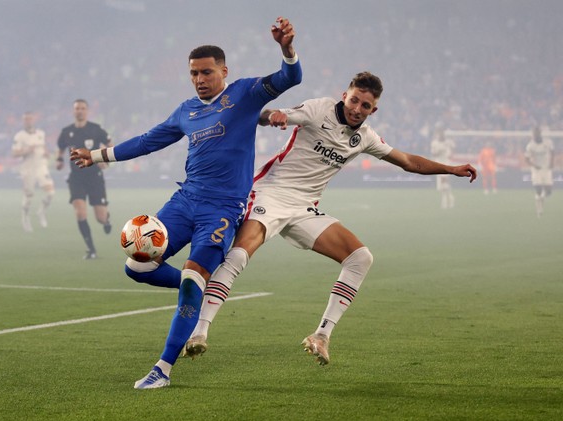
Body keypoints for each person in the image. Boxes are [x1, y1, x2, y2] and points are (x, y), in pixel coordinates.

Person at [183, 71, 477, 366]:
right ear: (344, 95)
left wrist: (450, 169)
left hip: (303, 209)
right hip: (270, 195)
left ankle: (321, 335)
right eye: (354, 100)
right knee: (238, 256)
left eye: (365, 106)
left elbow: (409, 162)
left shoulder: (365, 138)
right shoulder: (319, 109)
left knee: (360, 258)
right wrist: (274, 117)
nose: (356, 109)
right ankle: (199, 333)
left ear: (373, 110)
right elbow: (267, 115)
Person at [70, 17, 302, 389]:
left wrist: (286, 48)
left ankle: (163, 367)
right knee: (137, 266)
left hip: (222, 209)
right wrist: (96, 156)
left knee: (194, 275)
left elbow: (290, 78)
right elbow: (148, 141)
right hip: (185, 200)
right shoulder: (185, 111)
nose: (199, 79)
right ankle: (195, 290)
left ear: (224, 71)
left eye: (207, 72)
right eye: (194, 73)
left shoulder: (244, 94)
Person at [56, 99, 112, 259]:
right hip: (76, 177)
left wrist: (105, 159)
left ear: (87, 111)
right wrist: (59, 160)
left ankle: (107, 220)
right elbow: (60, 148)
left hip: (95, 177)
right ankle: (91, 249)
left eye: (82, 108)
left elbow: (109, 143)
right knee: (80, 213)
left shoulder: (95, 129)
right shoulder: (66, 131)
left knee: (100, 218)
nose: (79, 111)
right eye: (77, 108)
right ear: (73, 111)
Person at [12, 111, 55, 232]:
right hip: (28, 169)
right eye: (26, 119)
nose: (28, 121)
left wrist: (46, 153)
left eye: (30, 119)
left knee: (50, 193)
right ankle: (25, 217)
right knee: (29, 196)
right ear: (23, 121)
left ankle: (41, 211)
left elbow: (43, 147)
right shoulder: (19, 136)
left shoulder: (41, 133)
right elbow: (14, 153)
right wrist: (26, 150)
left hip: (41, 167)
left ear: (34, 120)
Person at [524, 125, 555, 218]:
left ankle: (542, 198)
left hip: (546, 168)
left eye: (537, 133)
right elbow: (527, 159)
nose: (535, 135)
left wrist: (551, 163)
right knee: (538, 189)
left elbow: (552, 152)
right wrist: (534, 165)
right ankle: (539, 210)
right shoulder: (530, 145)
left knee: (548, 191)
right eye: (534, 133)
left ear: (540, 133)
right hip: (536, 169)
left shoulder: (547, 142)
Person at [430, 126, 456, 209]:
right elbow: (434, 154)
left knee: (444, 182)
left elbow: (453, 149)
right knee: (442, 186)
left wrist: (450, 153)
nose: (441, 135)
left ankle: (445, 201)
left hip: (446, 164)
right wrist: (439, 152)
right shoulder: (434, 143)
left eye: (442, 133)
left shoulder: (448, 142)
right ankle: (450, 198)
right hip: (438, 164)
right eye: (439, 133)